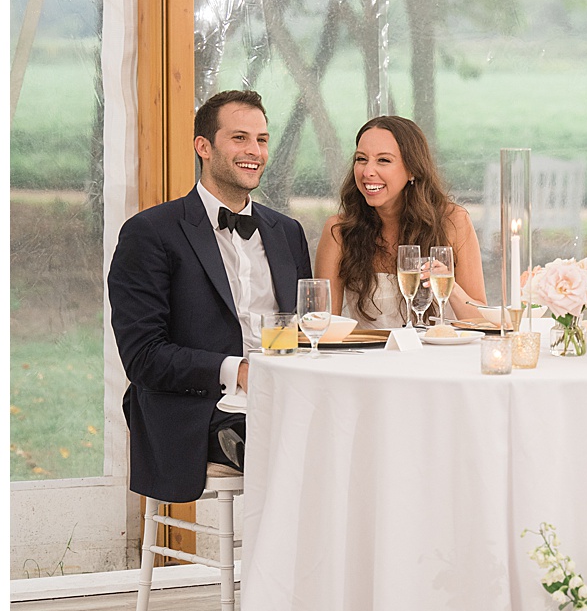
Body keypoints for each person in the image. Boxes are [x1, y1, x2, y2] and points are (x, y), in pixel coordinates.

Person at [109, 90, 312, 499]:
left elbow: (303, 327)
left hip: (283, 394)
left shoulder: (286, 232)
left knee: (363, 434)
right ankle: (278, 563)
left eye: (262, 139)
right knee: (303, 451)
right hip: (197, 409)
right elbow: (143, 356)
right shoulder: (150, 233)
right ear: (204, 146)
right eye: (239, 138)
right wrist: (236, 371)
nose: (254, 151)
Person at [314, 116, 487, 329]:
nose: (367, 172)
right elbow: (322, 327)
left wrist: (449, 286)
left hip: (439, 359)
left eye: (383, 160)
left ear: (412, 169)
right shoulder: (339, 231)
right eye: (361, 159)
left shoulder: (453, 222)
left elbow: (482, 324)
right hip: (369, 360)